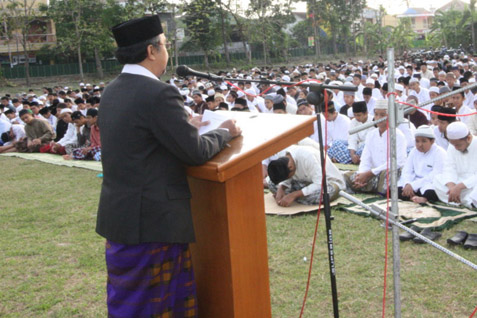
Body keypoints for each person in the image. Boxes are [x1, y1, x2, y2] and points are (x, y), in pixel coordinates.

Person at [95, 15, 241, 318]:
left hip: (122, 217)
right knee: (157, 307)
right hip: (153, 223)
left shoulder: (112, 90)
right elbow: (195, 151)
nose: (167, 51)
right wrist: (226, 131)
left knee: (128, 303)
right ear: (151, 51)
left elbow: (142, 140)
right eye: (165, 45)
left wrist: (185, 125)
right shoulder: (158, 93)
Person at [344, 99, 407, 195]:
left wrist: (371, 173)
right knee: (346, 177)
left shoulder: (398, 135)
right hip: (371, 175)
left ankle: (373, 189)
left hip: (387, 175)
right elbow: (365, 158)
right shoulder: (371, 135)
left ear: (390, 116)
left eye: (382, 115)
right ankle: (363, 185)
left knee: (386, 174)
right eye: (376, 114)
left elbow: (397, 162)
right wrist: (362, 174)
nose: (378, 118)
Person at [267, 143, 346, 206]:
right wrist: (281, 188)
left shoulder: (307, 156)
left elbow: (320, 183)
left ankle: (293, 197)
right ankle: (292, 196)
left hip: (327, 183)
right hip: (302, 183)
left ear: (291, 167)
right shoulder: (283, 156)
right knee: (271, 184)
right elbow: (286, 178)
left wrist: (294, 195)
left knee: (322, 195)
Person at [398, 125, 446, 203]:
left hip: (430, 183)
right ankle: (414, 197)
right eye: (417, 141)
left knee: (431, 193)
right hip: (414, 181)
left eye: (424, 141)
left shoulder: (439, 153)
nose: (420, 144)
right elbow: (407, 170)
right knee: (398, 191)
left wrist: (413, 185)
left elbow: (435, 175)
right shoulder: (414, 151)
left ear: (432, 141)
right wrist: (407, 184)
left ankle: (423, 199)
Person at [433, 122, 477, 208]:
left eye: (458, 145)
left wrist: (460, 187)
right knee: (437, 179)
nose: (455, 148)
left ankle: (465, 200)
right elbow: (449, 167)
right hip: (459, 182)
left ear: (468, 138)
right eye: (453, 144)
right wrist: (452, 187)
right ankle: (462, 199)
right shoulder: (452, 146)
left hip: (473, 184)